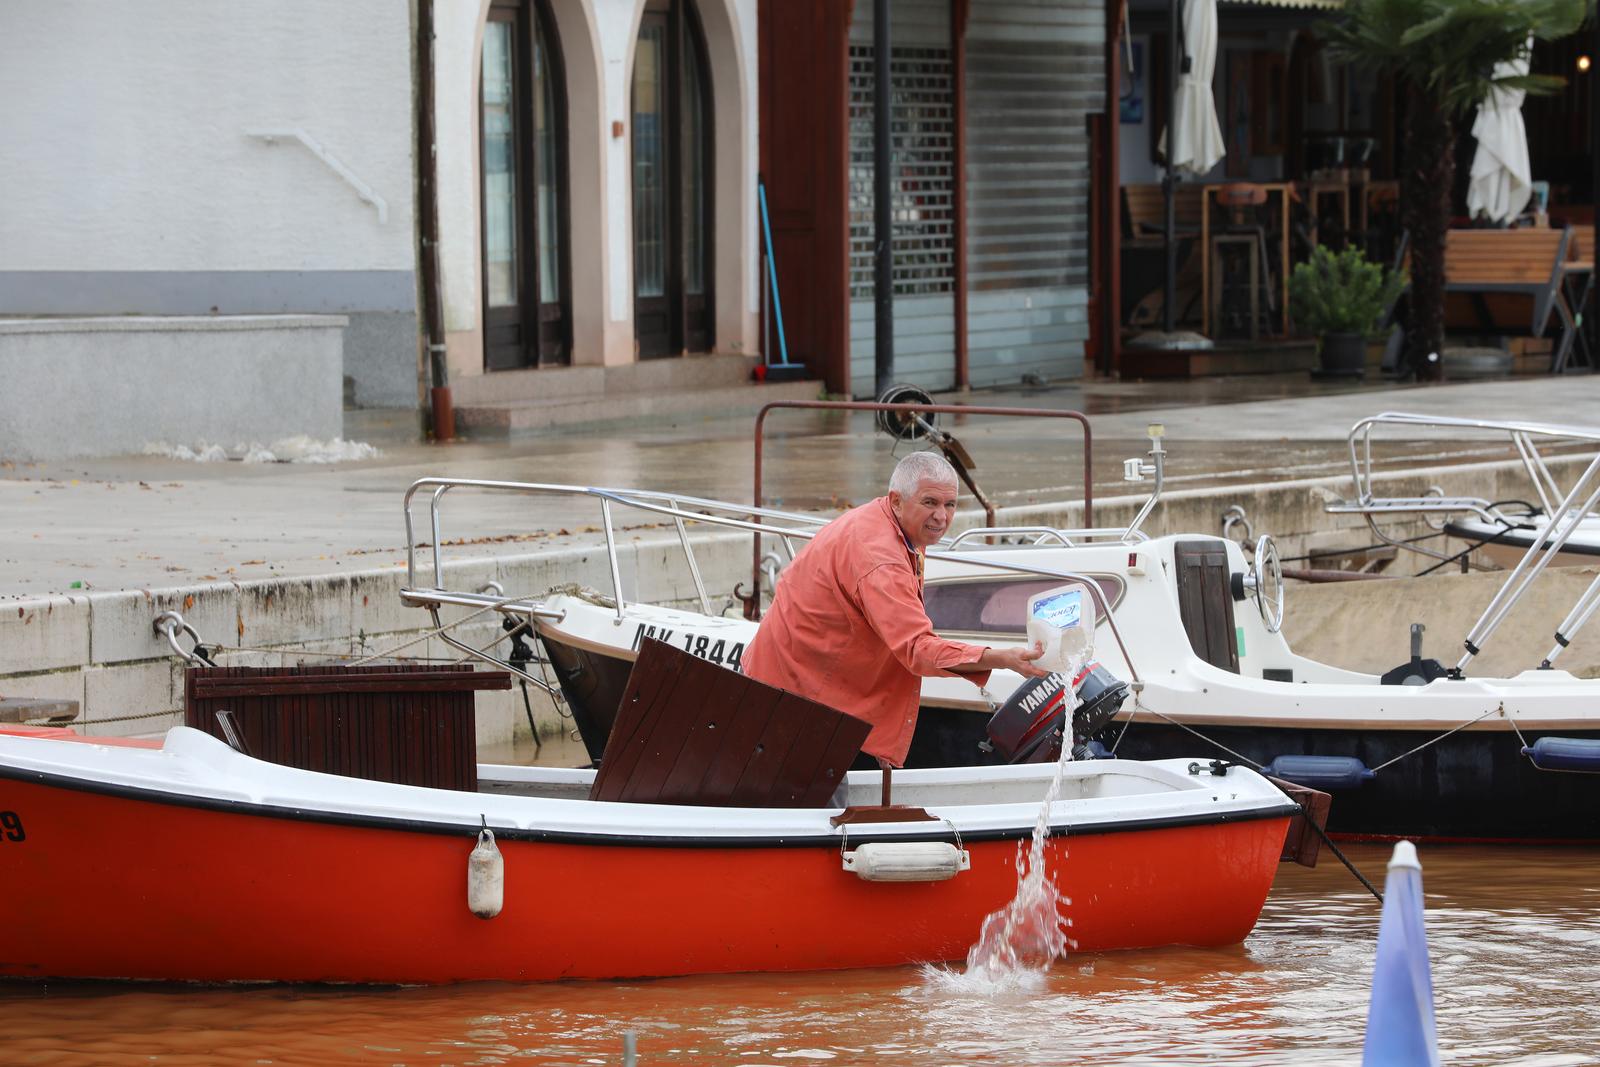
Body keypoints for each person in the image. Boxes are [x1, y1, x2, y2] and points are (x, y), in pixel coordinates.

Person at [741, 451, 1049, 767]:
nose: (941, 516)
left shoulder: (885, 521)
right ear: (897, 501)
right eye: (929, 502)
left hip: (797, 685)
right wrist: (1001, 658)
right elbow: (916, 648)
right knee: (820, 805)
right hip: (798, 701)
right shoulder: (881, 559)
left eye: (950, 504)